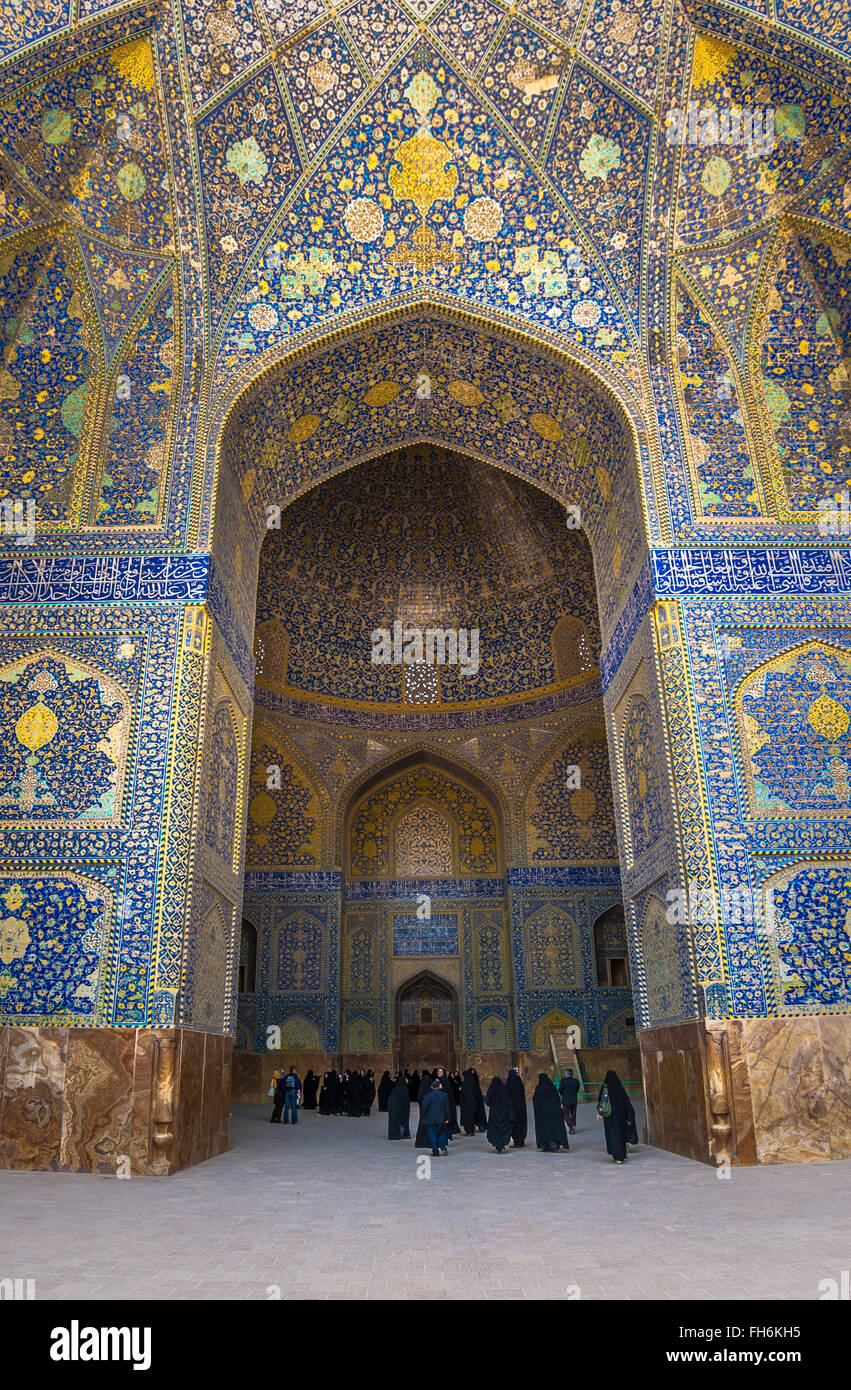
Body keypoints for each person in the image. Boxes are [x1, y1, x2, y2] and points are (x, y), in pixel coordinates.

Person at [597, 1069, 636, 1163]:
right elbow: (627, 1103)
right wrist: (629, 1117)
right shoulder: (620, 1088)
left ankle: (617, 1156)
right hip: (621, 1116)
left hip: (609, 1116)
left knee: (613, 1135)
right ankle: (622, 1154)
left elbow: (600, 1101)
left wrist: (599, 1113)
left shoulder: (605, 1088)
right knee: (620, 1135)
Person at [533, 1073, 569, 1152]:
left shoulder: (539, 1088)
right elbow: (557, 1099)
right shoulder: (552, 1087)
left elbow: (535, 1101)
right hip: (554, 1113)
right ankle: (557, 1144)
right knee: (555, 1129)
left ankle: (547, 1146)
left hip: (543, 1114)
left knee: (545, 1129)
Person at [420, 1078, 450, 1156]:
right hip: (441, 1118)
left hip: (430, 1118)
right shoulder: (444, 1095)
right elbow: (446, 1108)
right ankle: (443, 1147)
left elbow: (424, 1107)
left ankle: (435, 1151)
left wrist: (423, 1116)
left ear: (432, 1087)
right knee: (442, 1134)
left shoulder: (427, 1096)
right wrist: (447, 1118)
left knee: (432, 1135)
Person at [485, 1076, 512, 1154]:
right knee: (503, 1129)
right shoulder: (504, 1089)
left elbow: (487, 1101)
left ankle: (498, 1145)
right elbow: (509, 1101)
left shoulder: (492, 1090)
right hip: (504, 1113)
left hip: (494, 1113)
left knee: (495, 1130)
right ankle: (502, 1144)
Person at [460, 1068, 486, 1135]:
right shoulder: (474, 1082)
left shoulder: (466, 1083)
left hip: (467, 1104)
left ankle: (469, 1131)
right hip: (475, 1103)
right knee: (474, 1116)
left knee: (468, 1117)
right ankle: (474, 1129)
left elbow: (464, 1094)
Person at [506, 1067, 528, 1148]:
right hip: (521, 1107)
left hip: (513, 1108)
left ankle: (517, 1142)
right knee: (521, 1124)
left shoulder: (510, 1083)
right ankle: (521, 1141)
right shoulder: (519, 1082)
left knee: (515, 1125)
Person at [387, 1073, 411, 1140]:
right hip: (400, 1109)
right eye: (406, 1079)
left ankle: (397, 1134)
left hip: (395, 1109)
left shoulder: (396, 1088)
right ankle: (402, 1134)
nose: (407, 1080)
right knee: (402, 1122)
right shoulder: (404, 1089)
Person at [559, 1068, 580, 1134]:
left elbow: (560, 1090)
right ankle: (573, 1126)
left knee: (565, 1114)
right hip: (574, 1100)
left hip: (566, 1100)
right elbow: (577, 1090)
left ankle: (571, 1125)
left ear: (567, 1073)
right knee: (573, 1114)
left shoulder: (563, 1080)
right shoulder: (576, 1081)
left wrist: (564, 1094)